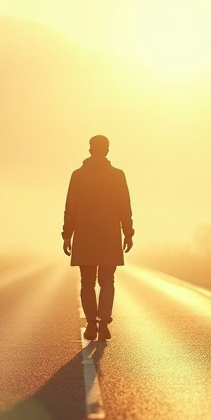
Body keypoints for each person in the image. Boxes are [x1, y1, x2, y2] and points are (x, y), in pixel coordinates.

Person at [62, 135, 134, 341]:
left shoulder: (78, 175)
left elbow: (71, 208)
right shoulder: (118, 175)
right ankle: (104, 324)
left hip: (84, 236)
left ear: (90, 150)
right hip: (109, 236)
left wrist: (67, 235)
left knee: (86, 282)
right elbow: (124, 207)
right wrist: (128, 233)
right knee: (107, 281)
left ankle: (91, 324)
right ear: (108, 150)